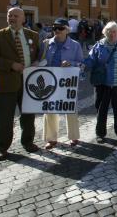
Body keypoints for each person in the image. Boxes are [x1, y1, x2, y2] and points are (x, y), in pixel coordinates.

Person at [0, 7, 41, 161]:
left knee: (28, 116)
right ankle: (1, 148)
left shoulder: (33, 36)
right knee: (4, 119)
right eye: (10, 15)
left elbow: (39, 54)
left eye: (16, 16)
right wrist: (11, 64)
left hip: (28, 84)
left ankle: (28, 142)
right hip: (5, 84)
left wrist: (37, 62)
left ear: (23, 19)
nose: (12, 18)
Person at [84, 21, 117, 142]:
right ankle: (100, 134)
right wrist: (80, 66)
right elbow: (90, 60)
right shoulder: (99, 46)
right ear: (105, 33)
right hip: (103, 84)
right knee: (101, 110)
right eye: (109, 31)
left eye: (114, 31)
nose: (112, 34)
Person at [41, 18, 83, 149]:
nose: (57, 31)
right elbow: (40, 60)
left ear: (67, 30)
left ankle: (74, 136)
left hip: (67, 82)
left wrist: (72, 64)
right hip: (50, 82)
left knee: (70, 109)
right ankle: (51, 138)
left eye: (60, 28)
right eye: (54, 28)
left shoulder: (75, 45)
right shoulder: (46, 43)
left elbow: (82, 65)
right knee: (50, 110)